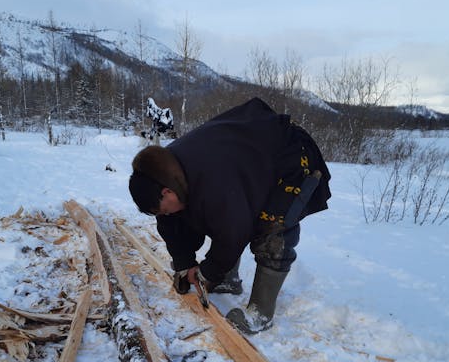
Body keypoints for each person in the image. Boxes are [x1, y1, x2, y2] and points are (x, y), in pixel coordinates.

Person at [128, 97, 331, 334]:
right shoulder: (163, 172)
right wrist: (184, 263)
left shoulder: (212, 182)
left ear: (167, 191)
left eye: (163, 208)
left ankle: (260, 312)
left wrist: (206, 273)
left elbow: (233, 231)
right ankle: (229, 280)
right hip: (247, 160)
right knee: (201, 213)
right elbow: (170, 221)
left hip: (291, 156)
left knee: (273, 231)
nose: (164, 214)